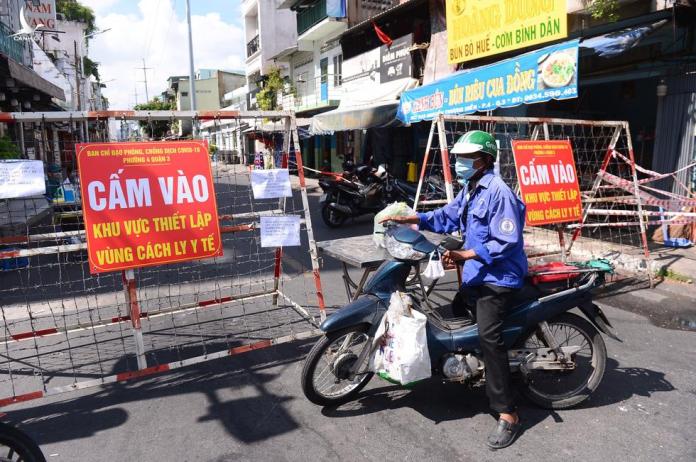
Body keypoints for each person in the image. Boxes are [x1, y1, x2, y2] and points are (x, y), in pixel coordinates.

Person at [380, 130, 528, 450]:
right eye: (458, 158)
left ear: (485, 160)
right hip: (476, 275)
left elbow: (506, 241)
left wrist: (466, 254)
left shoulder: (498, 192)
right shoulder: (471, 188)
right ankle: (470, 371)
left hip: (498, 278)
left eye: (466, 158)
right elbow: (447, 216)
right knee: (455, 316)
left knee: (490, 336)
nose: (460, 164)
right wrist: (412, 218)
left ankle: (508, 413)